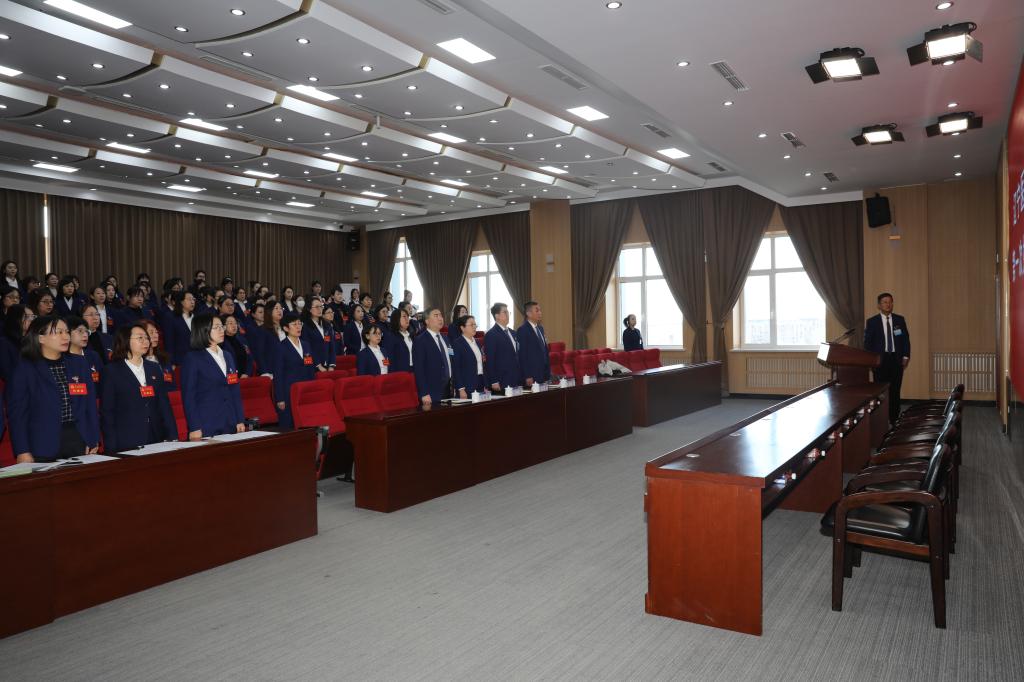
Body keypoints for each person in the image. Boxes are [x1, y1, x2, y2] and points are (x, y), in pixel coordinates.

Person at [6, 316, 100, 462]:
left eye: (67, 332)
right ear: (41, 338)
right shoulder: (25, 369)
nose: (66, 337)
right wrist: (22, 450)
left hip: (78, 439)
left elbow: (90, 406)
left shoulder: (79, 364)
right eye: (59, 332)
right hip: (42, 443)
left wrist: (93, 438)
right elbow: (18, 415)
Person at [100, 323, 178, 452]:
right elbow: (107, 412)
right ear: (126, 340)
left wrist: (173, 435)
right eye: (140, 338)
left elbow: (164, 406)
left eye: (146, 338)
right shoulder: (111, 371)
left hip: (156, 436)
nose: (145, 341)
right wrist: (111, 446)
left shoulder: (154, 368)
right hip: (127, 439)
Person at [179, 313, 245, 440]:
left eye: (222, 326)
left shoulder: (227, 356)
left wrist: (240, 419)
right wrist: (194, 427)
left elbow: (234, 391)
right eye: (216, 327)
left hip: (230, 422)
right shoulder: (193, 358)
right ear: (203, 330)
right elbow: (189, 397)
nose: (222, 330)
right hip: (206, 424)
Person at [864, 292, 910, 424]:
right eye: (885, 302)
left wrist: (905, 356)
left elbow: (905, 340)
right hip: (880, 362)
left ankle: (894, 419)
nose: (888, 304)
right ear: (879, 305)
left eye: (890, 302)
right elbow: (868, 343)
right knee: (881, 392)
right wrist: (871, 360)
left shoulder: (899, 320)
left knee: (895, 390)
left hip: (896, 360)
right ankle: (881, 420)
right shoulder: (872, 322)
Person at [273, 312, 315, 429]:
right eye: (294, 324)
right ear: (286, 328)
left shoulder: (306, 345)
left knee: (307, 424)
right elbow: (278, 374)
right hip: (288, 392)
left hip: (305, 390)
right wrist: (280, 398)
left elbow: (310, 368)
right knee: (290, 426)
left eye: (299, 323)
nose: (298, 327)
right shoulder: (280, 347)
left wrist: (312, 389)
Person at [412, 307, 452, 406]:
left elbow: (450, 360)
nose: (440, 318)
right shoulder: (420, 341)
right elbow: (419, 370)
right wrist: (424, 393)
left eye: (441, 315)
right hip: (431, 392)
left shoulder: (445, 338)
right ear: (427, 321)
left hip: (448, 390)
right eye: (436, 315)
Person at [484, 302, 522, 392]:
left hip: (516, 378)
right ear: (497, 316)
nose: (508, 314)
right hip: (502, 379)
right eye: (505, 312)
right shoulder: (491, 334)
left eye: (508, 312)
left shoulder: (513, 333)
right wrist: (494, 380)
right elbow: (490, 360)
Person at [517, 300, 550, 386]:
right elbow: (522, 355)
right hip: (532, 374)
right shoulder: (522, 330)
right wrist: (527, 375)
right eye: (537, 310)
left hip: (544, 372)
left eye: (540, 310)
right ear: (529, 314)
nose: (540, 313)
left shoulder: (540, 328)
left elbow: (544, 351)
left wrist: (548, 372)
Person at [452, 315, 485, 398]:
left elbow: (481, 364)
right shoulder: (457, 344)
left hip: (480, 382)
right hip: (467, 385)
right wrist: (461, 389)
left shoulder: (477, 342)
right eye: (471, 325)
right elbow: (456, 368)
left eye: (475, 325)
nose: (474, 327)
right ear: (462, 328)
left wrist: (485, 384)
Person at [65, 315, 102, 384]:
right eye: (80, 331)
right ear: (67, 333)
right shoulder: (63, 358)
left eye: (86, 331)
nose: (85, 335)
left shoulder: (94, 356)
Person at [301, 297, 336, 372]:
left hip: (328, 366)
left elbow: (331, 346)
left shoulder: (327, 325)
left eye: (321, 306)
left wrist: (331, 365)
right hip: (314, 366)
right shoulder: (305, 327)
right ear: (309, 309)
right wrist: (318, 365)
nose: (320, 309)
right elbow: (307, 348)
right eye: (317, 307)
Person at [0, 304, 33, 381]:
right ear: (16, 318)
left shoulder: (34, 341)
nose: (32, 320)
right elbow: (7, 373)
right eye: (27, 317)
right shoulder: (4, 343)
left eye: (33, 316)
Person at [141, 319, 175, 387]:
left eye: (156, 332)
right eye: (151, 332)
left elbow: (171, 383)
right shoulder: (138, 361)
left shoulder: (164, 358)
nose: (156, 335)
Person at [167, 290, 196, 367]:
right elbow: (169, 342)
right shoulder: (172, 318)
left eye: (193, 299)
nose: (192, 302)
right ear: (181, 302)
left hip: (196, 358)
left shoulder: (196, 318)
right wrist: (172, 362)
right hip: (180, 360)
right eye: (189, 299)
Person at [387, 308, 414, 373]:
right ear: (396, 319)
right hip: (399, 373)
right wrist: (390, 372)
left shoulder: (411, 335)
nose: (407, 319)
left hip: (413, 370)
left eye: (408, 316)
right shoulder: (391, 336)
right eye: (404, 316)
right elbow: (386, 358)